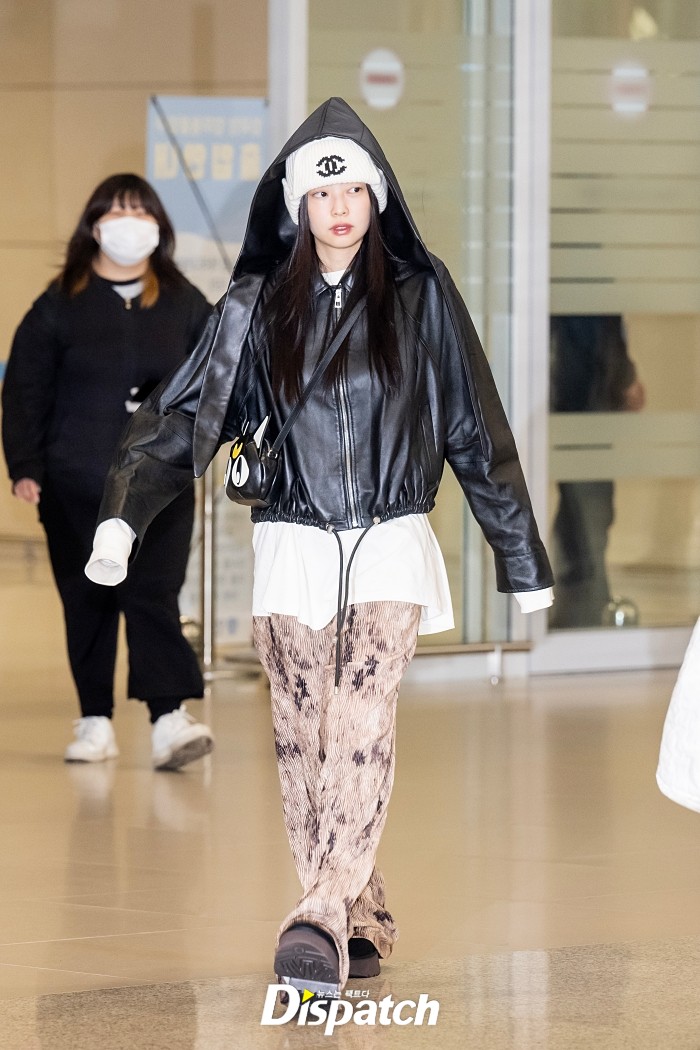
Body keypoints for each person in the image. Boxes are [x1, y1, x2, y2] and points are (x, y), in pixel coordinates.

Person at [85, 99, 553, 996]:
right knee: (305, 742)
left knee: (360, 727)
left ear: (377, 197)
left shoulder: (421, 296)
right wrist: (123, 514)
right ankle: (361, 915)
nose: (340, 209)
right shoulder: (255, 306)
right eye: (322, 192)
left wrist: (519, 555)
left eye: (354, 191)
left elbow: (474, 427)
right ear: (298, 203)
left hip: (388, 542)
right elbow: (181, 417)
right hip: (290, 547)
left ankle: (320, 915)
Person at [2, 173, 214, 770]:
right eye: (118, 212)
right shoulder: (58, 305)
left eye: (142, 212)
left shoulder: (185, 302)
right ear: (94, 227)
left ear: (159, 228)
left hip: (161, 486)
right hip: (76, 481)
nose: (130, 224)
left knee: (154, 594)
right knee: (87, 599)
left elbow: (215, 380)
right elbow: (24, 390)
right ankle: (94, 720)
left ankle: (169, 718)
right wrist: (25, 464)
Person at [549, 315, 645, 628]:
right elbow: (594, 330)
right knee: (589, 511)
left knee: (580, 512)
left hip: (577, 396)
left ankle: (576, 611)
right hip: (581, 398)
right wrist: (625, 377)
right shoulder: (585, 290)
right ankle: (586, 614)